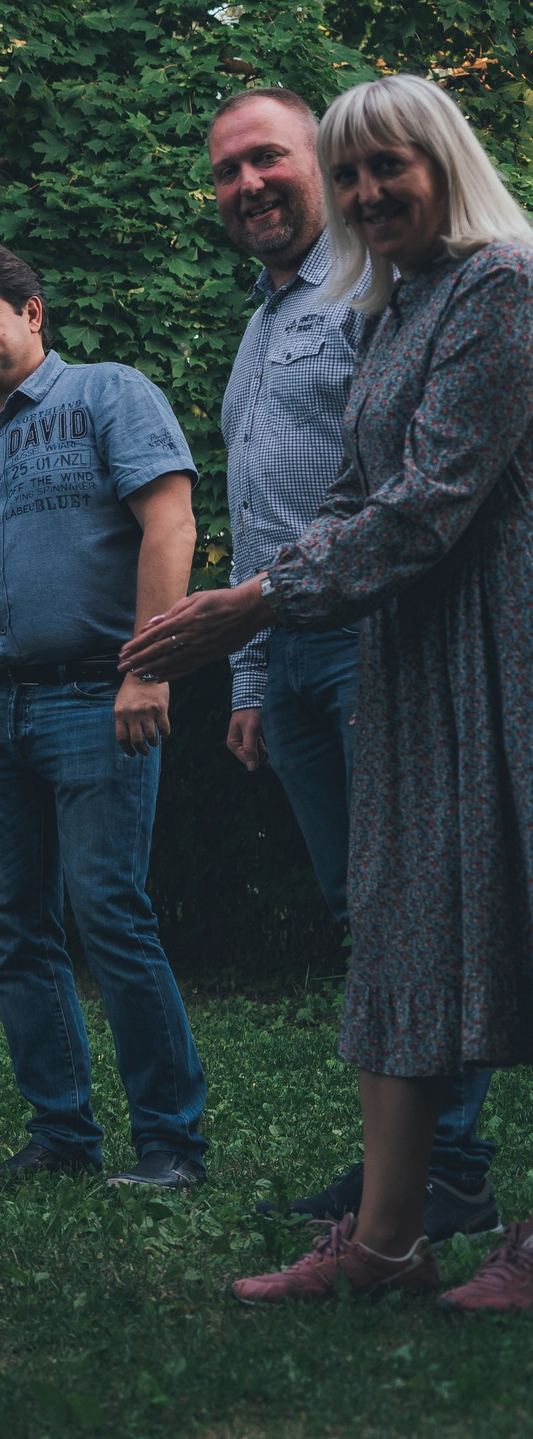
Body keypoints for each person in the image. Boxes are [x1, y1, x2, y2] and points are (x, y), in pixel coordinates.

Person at [124, 75, 533, 1308]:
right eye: (351, 175)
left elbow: (429, 499)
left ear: (445, 163)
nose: (364, 193)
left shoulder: (502, 286)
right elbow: (353, 496)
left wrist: (254, 602)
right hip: (407, 654)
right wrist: (256, 626)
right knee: (396, 929)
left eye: (383, 166)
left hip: (503, 652)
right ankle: (387, 1241)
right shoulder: (394, 305)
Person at [203, 87, 503, 1243]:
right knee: (364, 909)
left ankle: (445, 1169)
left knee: (420, 904)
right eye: (226, 170)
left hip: (393, 630)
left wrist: (256, 612)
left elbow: (415, 492)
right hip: (287, 643)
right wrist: (248, 673)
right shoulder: (278, 319)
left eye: (268, 159)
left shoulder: (406, 290)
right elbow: (278, 504)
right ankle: (405, 1177)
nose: (248, 185)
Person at [0, 238, 208, 1190]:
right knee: (14, 929)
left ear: (31, 313)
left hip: (97, 696)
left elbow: (170, 521)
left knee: (110, 911)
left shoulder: (110, 394)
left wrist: (149, 667)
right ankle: (62, 1136)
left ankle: (171, 1141)